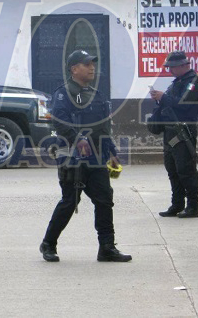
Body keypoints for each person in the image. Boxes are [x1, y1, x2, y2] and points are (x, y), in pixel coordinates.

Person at [39, 50, 132, 263]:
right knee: (70, 201)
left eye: (92, 64)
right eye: (86, 64)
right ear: (74, 69)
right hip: (71, 156)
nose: (92, 68)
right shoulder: (63, 94)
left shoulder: (96, 95)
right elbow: (59, 121)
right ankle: (48, 244)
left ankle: (107, 247)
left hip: (96, 156)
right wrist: (76, 139)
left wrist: (112, 152)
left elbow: (104, 127)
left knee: (104, 199)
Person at [149, 51, 198, 219]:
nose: (170, 70)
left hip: (183, 130)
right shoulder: (177, 82)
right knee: (172, 169)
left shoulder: (193, 82)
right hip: (170, 131)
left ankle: (193, 206)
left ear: (183, 66)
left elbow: (184, 104)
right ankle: (177, 204)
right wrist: (159, 98)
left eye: (172, 67)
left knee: (185, 169)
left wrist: (164, 97)